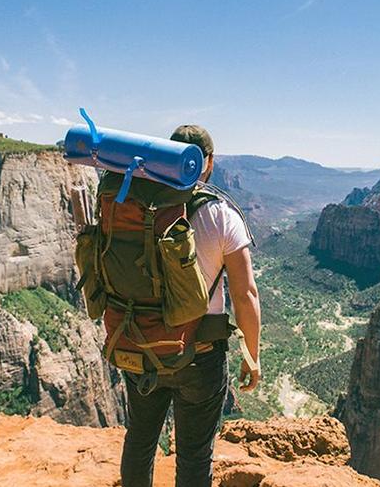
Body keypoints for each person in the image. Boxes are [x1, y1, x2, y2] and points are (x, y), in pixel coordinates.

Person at [119, 125, 262, 487]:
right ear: (207, 163)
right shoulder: (221, 215)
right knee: (195, 456)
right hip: (200, 355)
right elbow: (246, 295)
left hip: (141, 344)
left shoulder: (134, 206)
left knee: (139, 441)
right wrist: (251, 355)